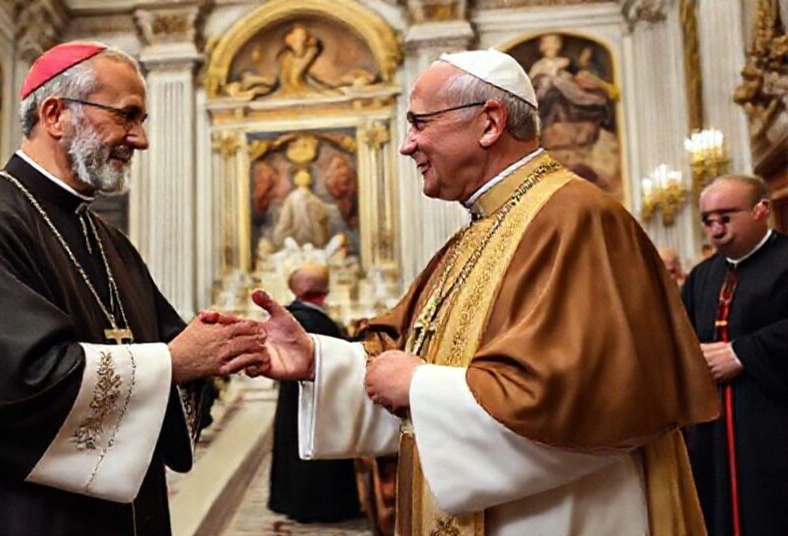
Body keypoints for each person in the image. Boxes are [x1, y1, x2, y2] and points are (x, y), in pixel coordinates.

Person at [230, 50, 720, 535]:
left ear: (489, 123)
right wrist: (316, 360)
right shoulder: (480, 229)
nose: (407, 145)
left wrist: (419, 387)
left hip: (560, 513)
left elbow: (584, 399)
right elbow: (407, 353)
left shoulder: (576, 218)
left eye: (420, 123)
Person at [0, 41, 269, 536]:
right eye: (127, 116)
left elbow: (173, 348)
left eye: (142, 119)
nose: (140, 139)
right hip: (14, 512)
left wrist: (224, 346)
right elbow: (12, 388)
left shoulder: (108, 241)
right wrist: (175, 362)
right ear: (56, 114)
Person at [681, 175, 788, 536]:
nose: (716, 230)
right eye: (707, 221)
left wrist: (741, 353)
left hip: (773, 424)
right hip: (713, 431)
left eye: (725, 217)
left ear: (761, 210)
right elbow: (679, 335)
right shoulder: (702, 275)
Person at [268, 263, 360, 523]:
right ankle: (319, 506)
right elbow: (333, 352)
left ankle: (297, 501)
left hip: (304, 398)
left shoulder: (295, 317)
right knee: (314, 449)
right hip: (317, 399)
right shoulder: (309, 319)